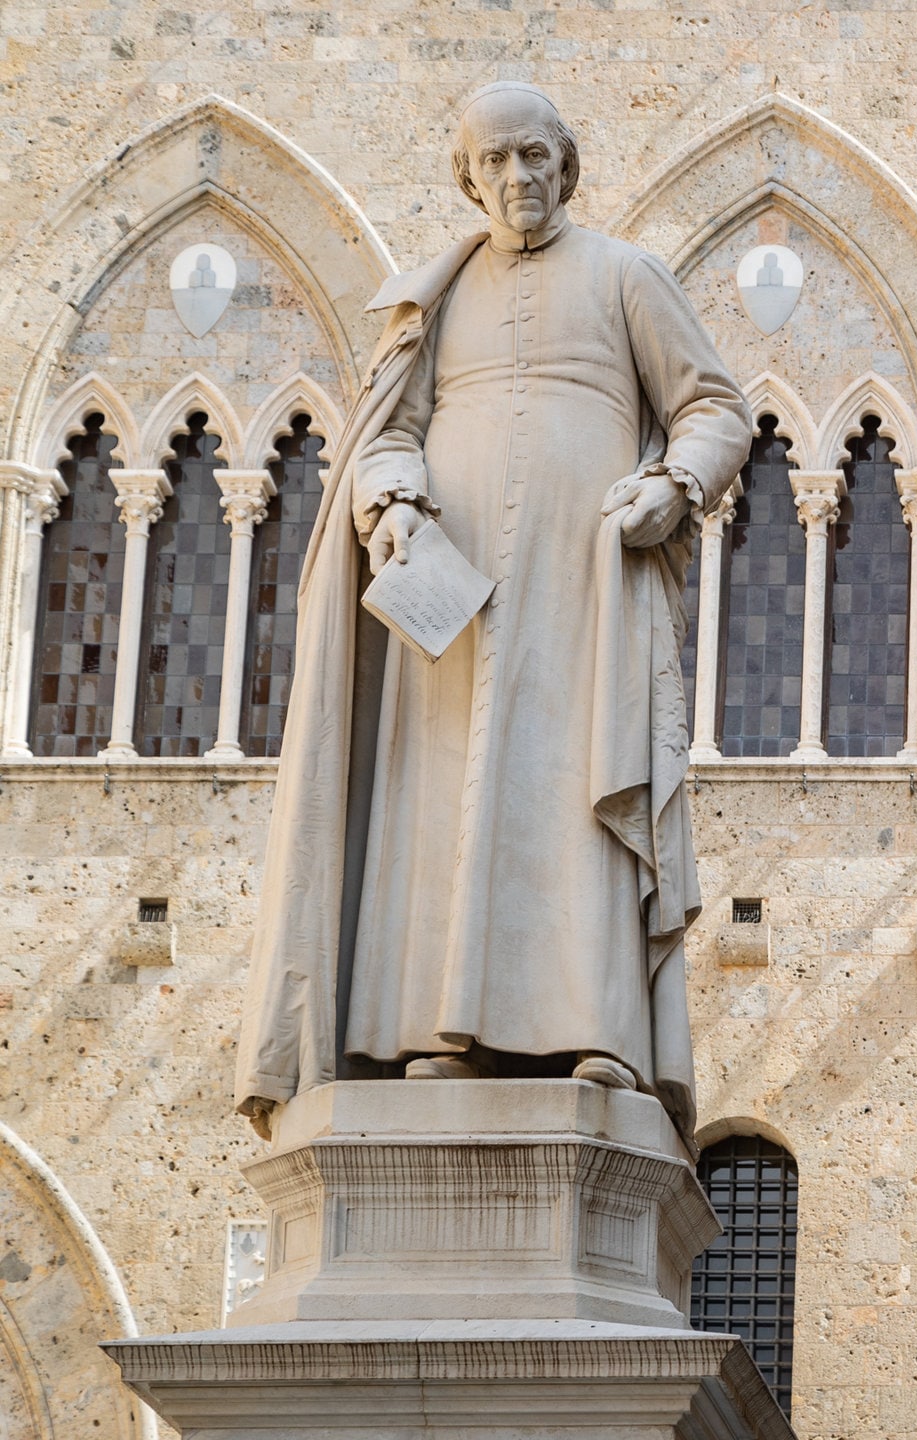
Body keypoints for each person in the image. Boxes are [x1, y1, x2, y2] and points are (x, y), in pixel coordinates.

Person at [234, 82, 751, 1140]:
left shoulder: (626, 276)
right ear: (465, 177)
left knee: (574, 784)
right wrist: (388, 505)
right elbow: (386, 430)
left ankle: (597, 1026)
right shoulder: (435, 297)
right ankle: (434, 1032)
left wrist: (678, 484)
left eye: (533, 157)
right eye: (494, 162)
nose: (517, 178)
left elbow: (714, 407)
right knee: (441, 802)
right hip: (451, 598)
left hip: (581, 584)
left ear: (566, 163)